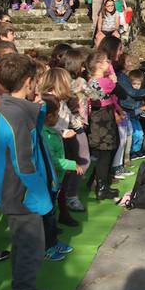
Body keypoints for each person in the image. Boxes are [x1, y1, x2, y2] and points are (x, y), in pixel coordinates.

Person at [0, 53, 57, 290]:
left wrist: (38, 110)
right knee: (30, 250)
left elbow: (33, 138)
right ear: (29, 81)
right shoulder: (15, 115)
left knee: (24, 248)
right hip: (22, 195)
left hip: (20, 193)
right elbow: (23, 162)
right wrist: (40, 196)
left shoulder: (15, 108)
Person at [39, 69, 82, 225]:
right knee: (53, 192)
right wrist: (62, 132)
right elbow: (53, 159)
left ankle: (60, 217)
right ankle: (51, 229)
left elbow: (68, 116)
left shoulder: (59, 102)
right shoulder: (47, 133)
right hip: (54, 164)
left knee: (60, 188)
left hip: (61, 149)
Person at [86, 49, 122, 200]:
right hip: (103, 120)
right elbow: (114, 83)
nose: (110, 63)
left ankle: (100, 183)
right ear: (99, 65)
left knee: (103, 153)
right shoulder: (104, 82)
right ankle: (102, 187)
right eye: (107, 61)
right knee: (105, 153)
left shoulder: (91, 81)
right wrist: (112, 75)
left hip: (98, 118)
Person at [60, 49, 90, 211]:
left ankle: (64, 195)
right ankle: (70, 195)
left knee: (70, 160)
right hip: (75, 126)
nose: (84, 69)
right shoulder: (79, 82)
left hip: (67, 126)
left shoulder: (62, 80)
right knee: (83, 160)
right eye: (82, 66)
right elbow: (97, 95)